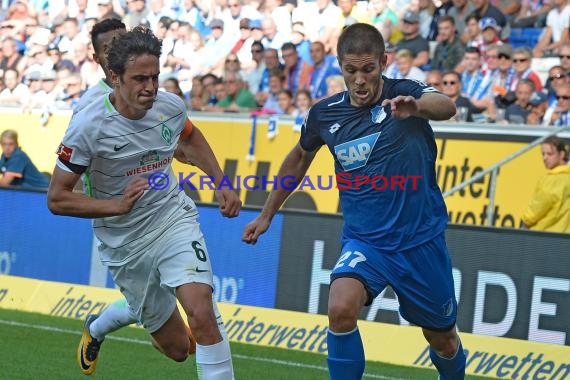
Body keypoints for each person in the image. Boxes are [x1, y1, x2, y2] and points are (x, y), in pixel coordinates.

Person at [242, 23, 465, 380]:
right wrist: (267, 215)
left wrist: (418, 106)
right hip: (367, 242)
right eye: (351, 71)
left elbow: (446, 105)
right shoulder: (324, 114)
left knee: (444, 341)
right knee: (340, 307)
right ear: (339, 66)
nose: (360, 79)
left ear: (383, 62)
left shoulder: (404, 94)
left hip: (420, 242)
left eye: (368, 69)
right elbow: (299, 158)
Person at [47, 27, 241, 379]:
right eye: (140, 78)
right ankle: (99, 325)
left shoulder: (169, 106)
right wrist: (116, 206)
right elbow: (57, 197)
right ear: (114, 77)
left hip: (171, 219)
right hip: (125, 243)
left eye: (155, 77)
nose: (150, 87)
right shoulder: (88, 124)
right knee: (179, 349)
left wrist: (221, 182)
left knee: (202, 312)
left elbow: (191, 138)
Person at [522, 136, 570, 233]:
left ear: (561, 154)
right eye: (543, 154)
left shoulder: (551, 180)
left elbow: (535, 210)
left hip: (545, 237)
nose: (545, 158)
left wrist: (525, 221)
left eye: (549, 154)